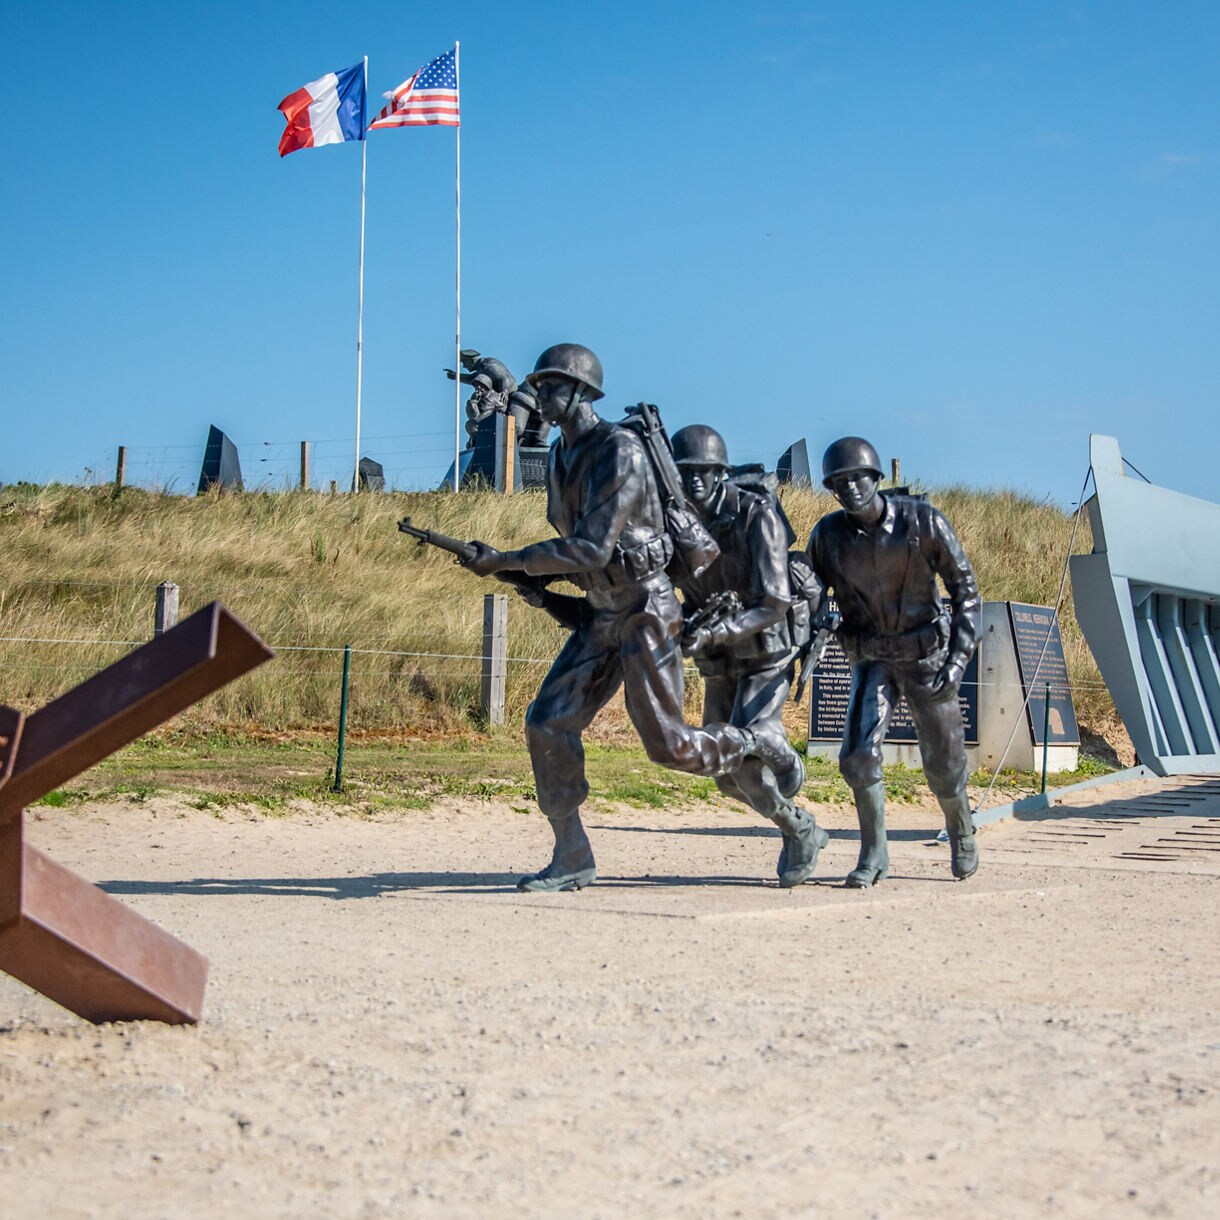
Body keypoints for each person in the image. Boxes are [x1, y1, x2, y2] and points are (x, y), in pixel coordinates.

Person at [463, 344, 794, 891]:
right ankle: (571, 853)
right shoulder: (559, 457)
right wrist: (527, 577)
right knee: (547, 722)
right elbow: (577, 552)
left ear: (582, 393)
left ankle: (753, 745)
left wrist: (507, 558)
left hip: (645, 608)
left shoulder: (621, 450)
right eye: (538, 386)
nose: (538, 396)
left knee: (672, 748)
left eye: (550, 387)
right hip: (600, 610)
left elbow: (591, 548)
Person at [806, 437, 981, 886]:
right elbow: (807, 593)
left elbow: (966, 593)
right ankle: (874, 853)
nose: (848, 489)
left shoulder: (923, 523)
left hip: (927, 656)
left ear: (876, 477)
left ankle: (961, 831)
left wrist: (958, 660)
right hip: (872, 657)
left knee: (944, 764)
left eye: (855, 478)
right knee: (858, 757)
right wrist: (815, 618)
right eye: (837, 483)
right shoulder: (827, 536)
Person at [670, 425, 829, 887]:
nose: (695, 480)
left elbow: (775, 600)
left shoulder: (755, 515)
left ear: (721, 471)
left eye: (705, 471)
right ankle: (800, 822)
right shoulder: (677, 521)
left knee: (742, 748)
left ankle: (789, 785)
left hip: (766, 646)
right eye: (686, 472)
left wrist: (717, 629)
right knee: (722, 772)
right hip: (719, 655)